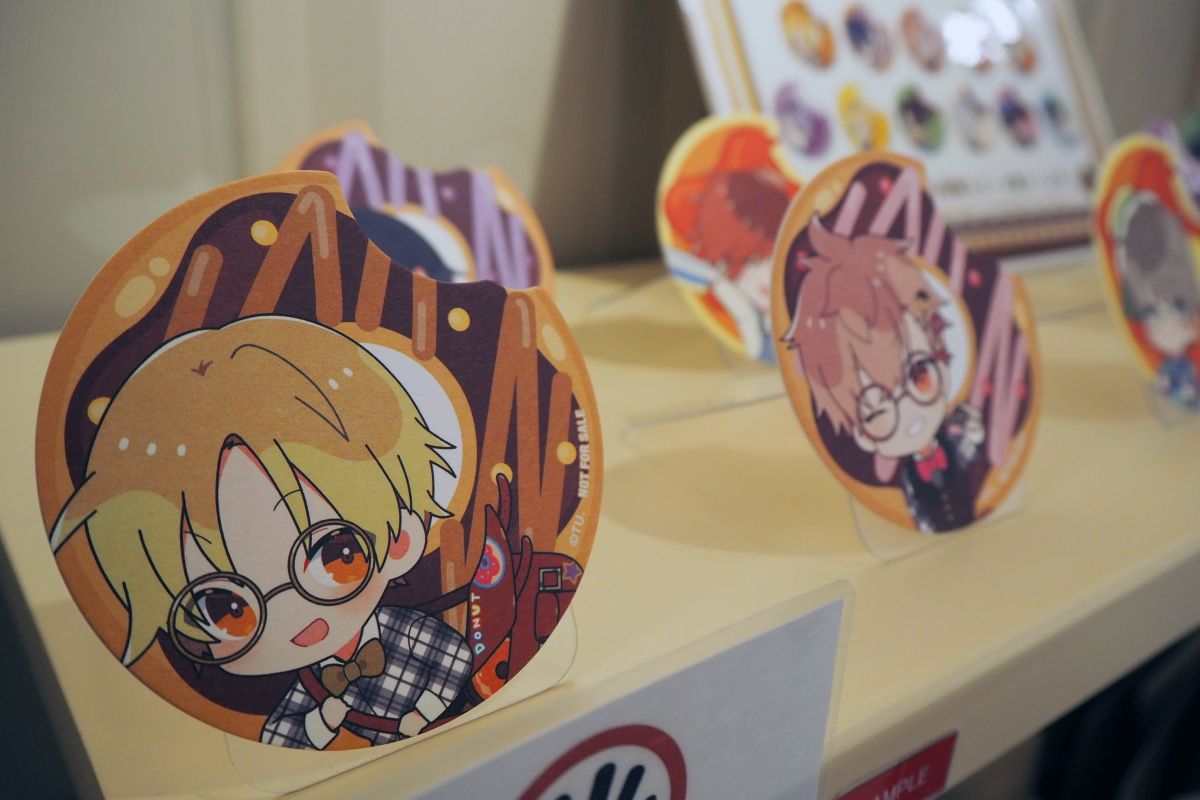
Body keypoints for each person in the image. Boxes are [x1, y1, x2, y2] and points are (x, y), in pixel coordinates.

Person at [50, 315, 472, 748]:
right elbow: (282, 734)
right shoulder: (311, 683)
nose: (294, 614)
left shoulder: (405, 630)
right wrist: (322, 722)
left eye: (336, 556)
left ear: (400, 540)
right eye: (228, 610)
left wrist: (423, 714)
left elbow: (456, 659)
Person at [785, 219, 985, 532]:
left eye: (919, 376)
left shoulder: (954, 441)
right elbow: (919, 515)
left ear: (942, 368)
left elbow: (975, 443)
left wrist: (968, 424)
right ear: (863, 435)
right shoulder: (906, 479)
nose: (909, 410)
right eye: (878, 412)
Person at [1116, 193, 1200, 408]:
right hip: (1164, 303)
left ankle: (1180, 388)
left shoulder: (1170, 331)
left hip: (1161, 306)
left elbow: (1127, 268)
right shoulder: (1162, 333)